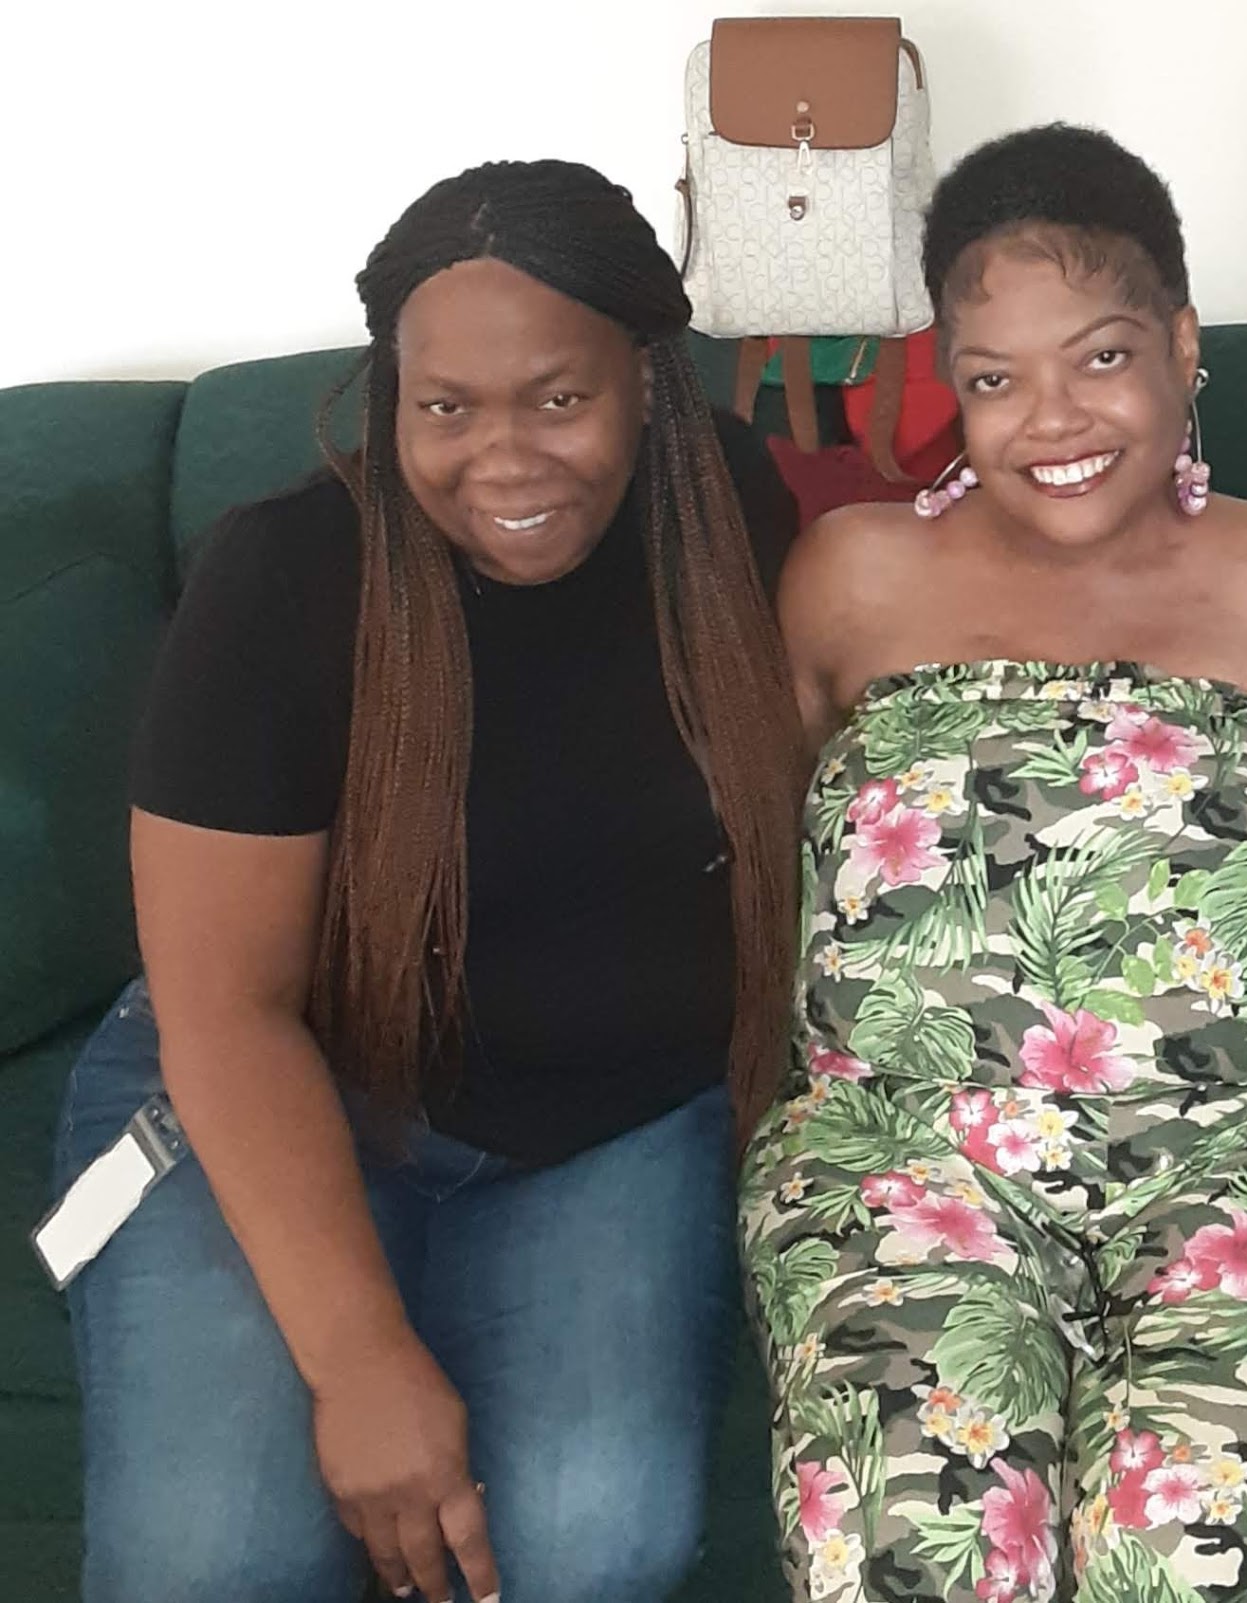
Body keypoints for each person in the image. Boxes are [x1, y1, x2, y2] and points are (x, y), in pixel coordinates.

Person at [51, 159, 804, 1603]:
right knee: (218, 1561)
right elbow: (224, 1008)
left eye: (558, 399)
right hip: (284, 1079)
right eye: (445, 408)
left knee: (593, 1545)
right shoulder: (282, 580)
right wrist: (361, 1364)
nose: (501, 461)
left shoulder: (732, 517)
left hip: (615, 1122)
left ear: (648, 383)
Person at [738, 123, 1247, 1603]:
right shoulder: (853, 577)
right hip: (911, 1163)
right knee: (910, 1558)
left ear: (1184, 347)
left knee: (1191, 1557)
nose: (1050, 420)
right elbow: (775, 855)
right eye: (995, 379)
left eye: (1102, 358)